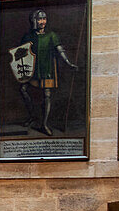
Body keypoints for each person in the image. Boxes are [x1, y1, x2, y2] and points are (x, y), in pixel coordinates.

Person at [15, 8, 79, 136]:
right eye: (39, 19)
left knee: (47, 95)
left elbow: (60, 50)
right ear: (34, 20)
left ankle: (44, 124)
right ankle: (32, 116)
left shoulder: (51, 35)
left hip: (46, 68)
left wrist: (67, 62)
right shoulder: (28, 36)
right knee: (23, 90)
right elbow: (20, 53)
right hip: (32, 69)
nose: (42, 22)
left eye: (44, 19)